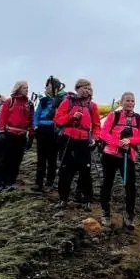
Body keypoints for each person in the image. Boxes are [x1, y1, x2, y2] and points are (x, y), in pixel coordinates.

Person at [98, 92, 140, 229]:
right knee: (107, 183)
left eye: (132, 101)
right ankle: (105, 213)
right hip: (110, 155)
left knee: (130, 187)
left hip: (128, 156)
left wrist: (130, 141)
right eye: (127, 100)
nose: (130, 103)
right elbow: (103, 133)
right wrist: (118, 143)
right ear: (121, 102)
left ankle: (129, 215)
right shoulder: (113, 116)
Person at [54, 78, 102, 209]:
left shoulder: (92, 106)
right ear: (77, 88)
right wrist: (72, 117)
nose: (87, 90)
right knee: (65, 169)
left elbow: (97, 125)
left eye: (88, 88)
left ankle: (87, 200)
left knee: (85, 170)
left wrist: (96, 138)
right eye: (84, 88)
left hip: (85, 140)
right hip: (68, 138)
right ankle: (63, 199)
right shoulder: (67, 101)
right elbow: (58, 120)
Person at [0, 80, 35, 192]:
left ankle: (9, 183)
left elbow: (31, 121)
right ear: (18, 88)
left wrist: (31, 135)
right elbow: (2, 118)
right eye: (25, 87)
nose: (27, 89)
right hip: (8, 134)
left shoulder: (29, 104)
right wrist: (2, 132)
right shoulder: (9, 101)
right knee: (3, 159)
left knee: (16, 161)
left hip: (21, 136)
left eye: (27, 87)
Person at [32, 76, 66, 192]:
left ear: (55, 87)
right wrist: (36, 126)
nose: (46, 88)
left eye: (49, 86)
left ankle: (49, 183)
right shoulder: (44, 100)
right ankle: (38, 182)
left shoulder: (63, 99)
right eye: (46, 86)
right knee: (40, 157)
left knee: (52, 157)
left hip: (53, 129)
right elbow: (36, 114)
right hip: (41, 129)